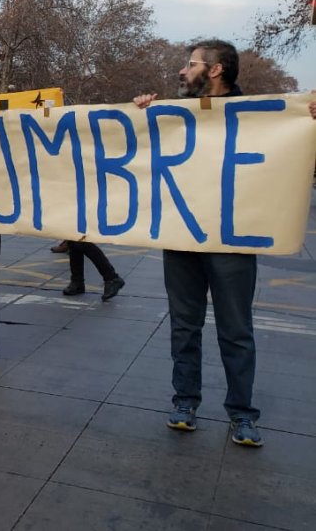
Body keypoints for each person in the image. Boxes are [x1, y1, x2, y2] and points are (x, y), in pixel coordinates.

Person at [133, 39, 265, 447]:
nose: (180, 71)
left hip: (230, 241)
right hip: (183, 237)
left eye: (190, 65)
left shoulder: (258, 116)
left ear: (216, 70)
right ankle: (185, 402)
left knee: (235, 331)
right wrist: (140, 115)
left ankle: (241, 414)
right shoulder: (174, 114)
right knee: (184, 326)